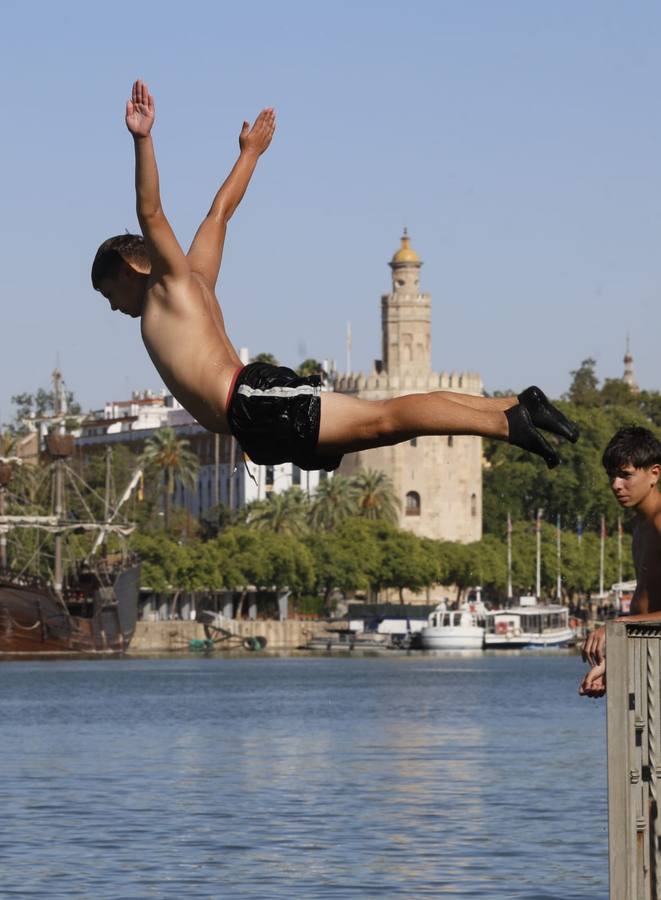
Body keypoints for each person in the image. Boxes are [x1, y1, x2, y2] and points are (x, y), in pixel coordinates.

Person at [92, 79, 579, 473]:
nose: (112, 305)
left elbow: (151, 211)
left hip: (252, 401)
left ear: (129, 269)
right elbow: (220, 213)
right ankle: (514, 406)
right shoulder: (195, 278)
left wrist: (143, 140)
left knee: (384, 419)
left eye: (108, 291)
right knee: (385, 424)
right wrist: (249, 154)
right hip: (253, 415)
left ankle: (506, 422)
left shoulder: (170, 285)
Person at [580, 426, 661, 698]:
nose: (616, 485)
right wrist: (613, 665)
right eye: (612, 476)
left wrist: (617, 626)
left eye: (626, 475)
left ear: (654, 473)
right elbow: (647, 607)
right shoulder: (639, 525)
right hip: (648, 662)